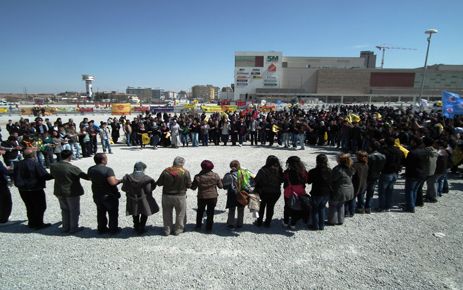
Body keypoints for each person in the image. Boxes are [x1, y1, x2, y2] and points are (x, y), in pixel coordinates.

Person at [12, 148, 53, 229]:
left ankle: (31, 223)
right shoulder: (35, 164)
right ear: (34, 155)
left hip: (23, 189)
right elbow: (44, 175)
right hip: (35, 189)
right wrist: (54, 175)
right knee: (40, 206)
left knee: (29, 206)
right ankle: (38, 224)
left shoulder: (18, 164)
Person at [50, 150, 89, 234]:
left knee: (64, 209)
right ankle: (73, 228)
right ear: (70, 156)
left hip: (59, 190)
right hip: (71, 191)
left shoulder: (53, 166)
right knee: (74, 210)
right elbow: (85, 177)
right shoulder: (72, 168)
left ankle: (65, 227)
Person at [156, 156, 192, 236]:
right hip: (180, 196)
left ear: (174, 162)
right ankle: (178, 229)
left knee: (166, 213)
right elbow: (189, 185)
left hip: (166, 195)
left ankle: (167, 229)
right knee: (180, 213)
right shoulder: (185, 172)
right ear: (182, 164)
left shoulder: (166, 171)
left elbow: (159, 183)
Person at [87, 153, 121, 234]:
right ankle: (113, 229)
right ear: (102, 160)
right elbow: (113, 182)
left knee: (101, 212)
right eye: (106, 158)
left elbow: (89, 178)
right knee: (112, 213)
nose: (107, 159)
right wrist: (121, 180)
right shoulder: (108, 170)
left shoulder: (91, 169)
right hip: (109, 195)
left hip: (97, 194)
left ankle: (101, 228)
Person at [121, 162, 159, 235]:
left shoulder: (127, 178)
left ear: (134, 168)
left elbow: (124, 189)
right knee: (144, 212)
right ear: (143, 169)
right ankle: (141, 227)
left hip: (132, 198)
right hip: (143, 199)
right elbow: (148, 190)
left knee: (135, 212)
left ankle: (136, 226)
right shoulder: (146, 178)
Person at [191, 160, 223, 232]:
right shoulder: (215, 175)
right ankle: (209, 227)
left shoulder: (198, 177)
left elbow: (193, 188)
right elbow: (221, 186)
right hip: (213, 196)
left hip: (202, 196)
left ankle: (198, 226)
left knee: (200, 211)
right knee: (210, 212)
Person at [223, 160, 254, 229]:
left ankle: (231, 224)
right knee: (241, 210)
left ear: (231, 167)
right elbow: (251, 182)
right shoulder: (245, 173)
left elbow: (225, 186)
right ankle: (240, 224)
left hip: (232, 194)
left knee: (232, 209)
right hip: (242, 194)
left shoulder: (228, 175)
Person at [253, 155, 283, 227]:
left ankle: (259, 221)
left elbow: (257, 180)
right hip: (275, 192)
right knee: (270, 207)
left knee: (261, 207)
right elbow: (282, 180)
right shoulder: (279, 170)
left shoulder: (263, 170)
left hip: (264, 192)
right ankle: (268, 222)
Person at [283, 156, 309, 230]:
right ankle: (293, 224)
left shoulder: (287, 172)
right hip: (300, 192)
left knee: (287, 207)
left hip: (289, 192)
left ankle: (285, 222)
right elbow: (307, 180)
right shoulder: (303, 171)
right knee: (298, 208)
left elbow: (283, 180)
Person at [359, 142, 385, 214]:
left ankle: (361, 207)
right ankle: (368, 207)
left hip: (367, 176)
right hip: (376, 176)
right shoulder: (383, 156)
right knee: (370, 192)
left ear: (371, 147)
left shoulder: (369, 157)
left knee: (362, 191)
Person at [307, 154, 332, 231]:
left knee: (315, 209)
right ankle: (321, 226)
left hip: (316, 192)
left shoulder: (313, 171)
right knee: (322, 208)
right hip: (326, 193)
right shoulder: (330, 171)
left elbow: (309, 182)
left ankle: (315, 226)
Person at [329, 153, 355, 226]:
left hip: (339, 190)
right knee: (341, 204)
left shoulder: (338, 169)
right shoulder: (351, 168)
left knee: (333, 205)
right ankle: (341, 220)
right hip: (349, 189)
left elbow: (333, 179)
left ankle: (333, 221)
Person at [378, 137, 403, 212]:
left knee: (382, 191)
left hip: (386, 172)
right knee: (390, 190)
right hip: (395, 173)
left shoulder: (384, 151)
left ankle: (381, 207)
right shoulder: (399, 151)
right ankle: (388, 206)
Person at [348, 151, 368, 217]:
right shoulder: (366, 165)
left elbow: (351, 173)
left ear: (358, 157)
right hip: (364, 183)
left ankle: (352, 211)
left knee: (353, 198)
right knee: (361, 197)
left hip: (356, 183)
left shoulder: (355, 165)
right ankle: (361, 209)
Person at [0, 148, 12, 223]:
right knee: (6, 201)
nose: (3, 151)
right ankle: (4, 218)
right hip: (1, 184)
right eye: (1, 150)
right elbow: (4, 172)